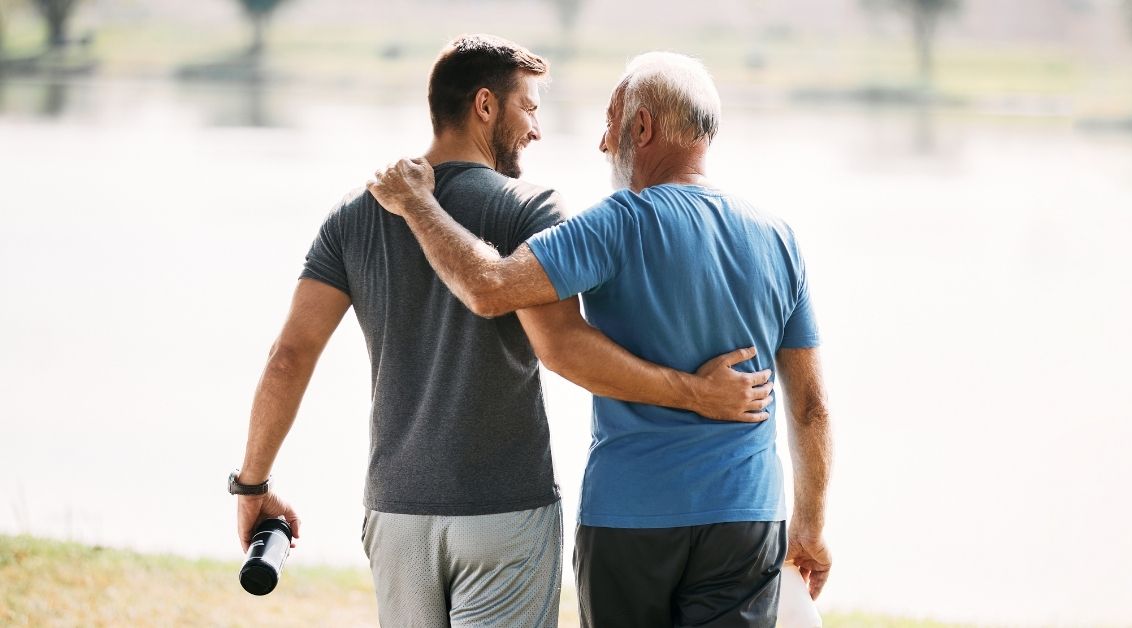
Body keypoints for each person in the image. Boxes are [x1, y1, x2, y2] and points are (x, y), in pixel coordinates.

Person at [230, 36, 773, 628]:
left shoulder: (357, 212)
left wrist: (252, 485)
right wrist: (694, 393)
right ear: (485, 106)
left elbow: (289, 356)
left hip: (397, 512)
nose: (537, 129)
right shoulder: (530, 208)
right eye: (530, 107)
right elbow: (562, 346)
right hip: (506, 510)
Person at [368, 51, 834, 627]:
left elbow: (488, 289)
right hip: (747, 516)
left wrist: (417, 202)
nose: (603, 142)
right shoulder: (779, 238)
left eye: (611, 122)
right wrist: (810, 525)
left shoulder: (617, 222)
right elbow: (810, 406)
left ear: (642, 127)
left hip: (631, 516)